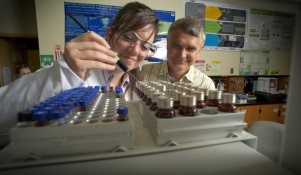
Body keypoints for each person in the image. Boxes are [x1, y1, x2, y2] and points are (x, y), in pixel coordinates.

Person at [0, 1, 160, 146]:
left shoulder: (138, 85)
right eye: (128, 37)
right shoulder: (75, 71)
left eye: (145, 46)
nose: (135, 50)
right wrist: (63, 75)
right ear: (109, 34)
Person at [141, 17, 215, 90]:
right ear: (167, 43)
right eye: (177, 46)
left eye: (190, 49)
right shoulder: (143, 73)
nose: (182, 55)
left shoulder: (206, 85)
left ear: (199, 52)